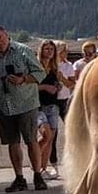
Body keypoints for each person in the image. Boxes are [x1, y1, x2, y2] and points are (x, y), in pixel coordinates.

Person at [0, 24, 48, 192]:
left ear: (7, 34)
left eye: (0, 38)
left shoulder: (22, 50)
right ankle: (19, 177)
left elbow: (40, 72)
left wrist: (23, 79)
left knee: (31, 140)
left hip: (26, 103)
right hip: (4, 106)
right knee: (12, 142)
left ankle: (37, 175)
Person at [48, 40, 76, 178]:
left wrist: (62, 79)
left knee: (73, 130)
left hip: (64, 101)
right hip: (51, 101)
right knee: (52, 134)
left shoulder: (68, 65)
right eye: (64, 50)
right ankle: (53, 165)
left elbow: (72, 84)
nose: (66, 52)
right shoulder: (50, 65)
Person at [36, 39, 62, 180]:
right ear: (41, 50)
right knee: (45, 135)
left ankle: (43, 169)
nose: (49, 51)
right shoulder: (36, 67)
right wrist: (46, 87)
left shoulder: (54, 69)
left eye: (51, 49)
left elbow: (57, 85)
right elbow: (30, 87)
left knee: (50, 139)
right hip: (38, 106)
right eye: (46, 49)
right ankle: (36, 163)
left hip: (52, 105)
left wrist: (57, 86)